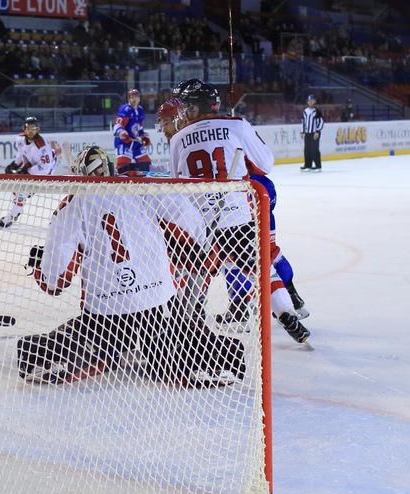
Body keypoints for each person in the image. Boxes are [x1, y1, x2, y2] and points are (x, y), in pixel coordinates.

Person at [16, 145, 246, 386]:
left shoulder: (72, 204)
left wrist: (40, 267)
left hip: (105, 309)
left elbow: (55, 281)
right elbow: (190, 225)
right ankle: (216, 356)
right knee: (173, 347)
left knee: (88, 341)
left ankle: (47, 354)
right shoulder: (143, 186)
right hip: (157, 300)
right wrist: (202, 254)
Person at [168, 78, 309, 343]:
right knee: (262, 269)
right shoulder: (237, 125)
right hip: (237, 214)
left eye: (186, 106)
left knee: (196, 273)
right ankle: (285, 311)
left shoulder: (177, 139)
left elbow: (177, 185)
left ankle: (188, 324)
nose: (183, 112)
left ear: (195, 107)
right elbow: (265, 164)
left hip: (201, 223)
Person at [0, 116, 59, 228]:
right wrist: (15, 164)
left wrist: (28, 172)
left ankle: (12, 216)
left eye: (33, 128)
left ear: (38, 129)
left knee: (21, 190)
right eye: (28, 128)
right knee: (17, 187)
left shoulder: (42, 146)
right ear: (24, 129)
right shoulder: (20, 139)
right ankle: (18, 208)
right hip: (32, 163)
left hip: (46, 170)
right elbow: (22, 153)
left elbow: (45, 167)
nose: (31, 131)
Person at [112, 88, 152, 175]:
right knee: (123, 165)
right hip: (124, 142)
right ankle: (119, 179)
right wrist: (122, 133)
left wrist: (143, 136)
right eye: (132, 97)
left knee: (145, 163)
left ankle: (142, 181)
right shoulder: (125, 109)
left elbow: (139, 127)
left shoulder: (140, 110)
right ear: (129, 99)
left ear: (139, 98)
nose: (134, 99)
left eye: (136, 97)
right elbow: (117, 125)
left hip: (135, 142)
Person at [301, 94, 324, 172]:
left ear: (314, 101)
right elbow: (303, 122)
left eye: (312, 100)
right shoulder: (305, 111)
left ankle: (318, 166)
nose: (310, 102)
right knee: (307, 149)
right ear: (307, 102)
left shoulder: (317, 111)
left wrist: (317, 131)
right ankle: (308, 165)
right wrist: (302, 131)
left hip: (315, 133)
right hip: (307, 133)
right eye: (309, 101)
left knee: (315, 149)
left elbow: (321, 122)